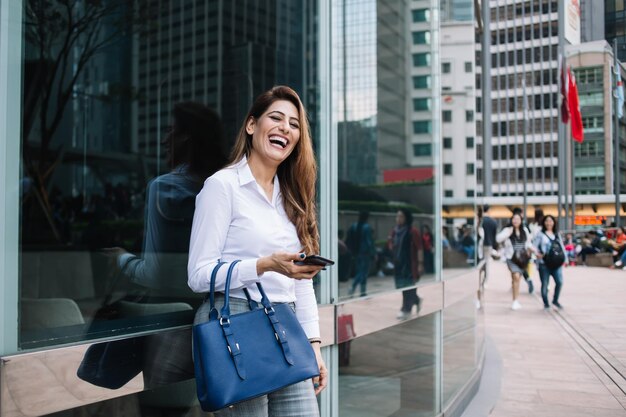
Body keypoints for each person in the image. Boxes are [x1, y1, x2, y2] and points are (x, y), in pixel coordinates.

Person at [187, 86, 328, 415]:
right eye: (276, 118)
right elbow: (197, 275)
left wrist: (314, 346)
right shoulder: (222, 187)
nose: (285, 128)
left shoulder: (290, 197)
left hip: (286, 326)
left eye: (294, 124)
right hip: (237, 322)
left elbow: (302, 282)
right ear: (251, 126)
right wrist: (263, 266)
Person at [105, 102, 227, 389]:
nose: (164, 139)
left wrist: (122, 260)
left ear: (187, 138)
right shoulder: (231, 186)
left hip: (171, 326)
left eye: (171, 130)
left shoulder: (165, 188)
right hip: (223, 324)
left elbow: (154, 273)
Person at [388, 208, 424, 320]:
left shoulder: (412, 231)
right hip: (399, 263)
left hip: (410, 263)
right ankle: (416, 300)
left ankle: (405, 309)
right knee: (402, 286)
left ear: (406, 218)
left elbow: (419, 248)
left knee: (409, 286)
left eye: (401, 216)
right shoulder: (395, 231)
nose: (398, 219)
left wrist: (420, 264)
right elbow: (390, 243)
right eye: (397, 216)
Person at [497, 213, 533, 310]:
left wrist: (532, 251)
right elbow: (498, 239)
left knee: (516, 279)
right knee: (516, 276)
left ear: (521, 221)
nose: (515, 221)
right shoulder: (508, 230)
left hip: (522, 259)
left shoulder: (524, 231)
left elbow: (528, 243)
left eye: (517, 219)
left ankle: (516, 299)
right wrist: (508, 233)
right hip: (511, 258)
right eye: (514, 219)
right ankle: (515, 301)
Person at [533, 214, 565, 310]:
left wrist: (565, 259)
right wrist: (537, 254)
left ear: (554, 222)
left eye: (551, 221)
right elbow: (534, 246)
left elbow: (562, 247)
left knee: (559, 282)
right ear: (544, 222)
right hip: (544, 263)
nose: (549, 223)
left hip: (556, 263)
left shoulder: (557, 234)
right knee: (545, 284)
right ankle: (546, 303)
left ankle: (555, 300)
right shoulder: (540, 234)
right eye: (547, 221)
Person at [345, 211, 376, 297]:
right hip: (365, 253)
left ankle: (363, 292)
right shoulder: (367, 227)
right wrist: (373, 253)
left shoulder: (354, 226)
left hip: (355, 252)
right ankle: (354, 287)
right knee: (363, 272)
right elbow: (369, 242)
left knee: (360, 271)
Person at [481, 204, 497, 284]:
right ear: (489, 210)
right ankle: (485, 280)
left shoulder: (481, 221)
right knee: (486, 262)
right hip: (489, 244)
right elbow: (494, 236)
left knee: (482, 261)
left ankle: (482, 278)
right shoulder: (493, 222)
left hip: (481, 244)